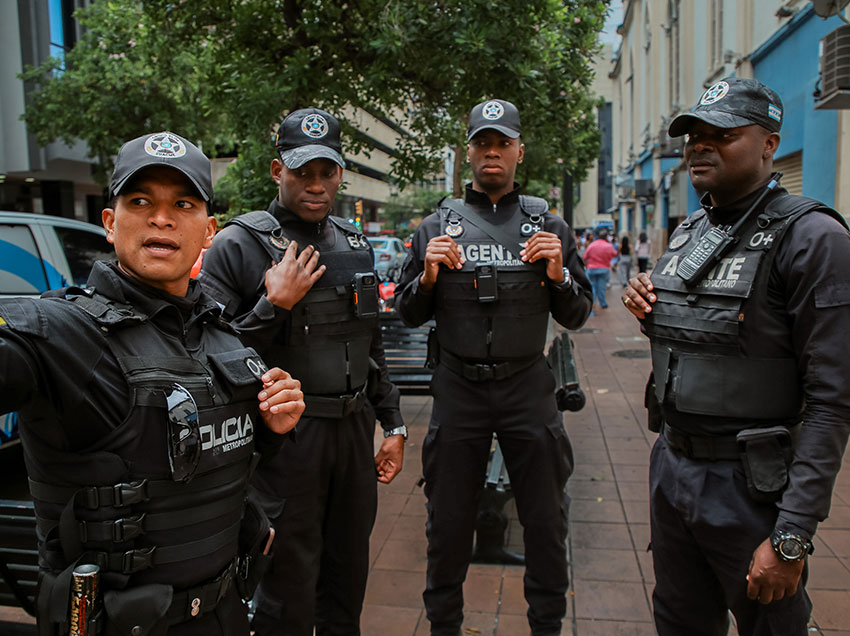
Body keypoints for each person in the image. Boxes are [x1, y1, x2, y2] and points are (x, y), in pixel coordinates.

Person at [0, 131, 305, 635]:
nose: (161, 218)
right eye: (140, 201)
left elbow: (220, 464)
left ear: (208, 230)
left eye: (181, 204)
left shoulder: (224, 338)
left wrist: (271, 427)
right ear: (109, 222)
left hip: (223, 615)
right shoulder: (65, 333)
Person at [622, 77, 850, 636]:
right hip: (673, 469)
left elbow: (832, 401)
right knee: (678, 622)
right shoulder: (692, 229)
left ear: (770, 143)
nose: (701, 144)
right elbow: (712, 332)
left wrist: (792, 533)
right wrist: (651, 310)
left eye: (722, 134)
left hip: (750, 487)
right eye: (695, 134)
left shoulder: (814, 238)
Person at [196, 107, 406, 636]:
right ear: (276, 171)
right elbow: (209, 360)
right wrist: (275, 305)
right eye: (301, 171)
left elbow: (369, 347)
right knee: (287, 592)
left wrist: (395, 424)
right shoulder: (238, 245)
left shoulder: (354, 245)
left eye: (326, 172)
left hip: (353, 436)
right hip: (286, 443)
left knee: (346, 582)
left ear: (339, 174)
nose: (315, 185)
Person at [394, 98, 592, 636]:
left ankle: (547, 625)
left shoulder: (548, 224)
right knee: (447, 522)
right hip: (459, 387)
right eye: (482, 143)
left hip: (528, 384)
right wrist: (429, 277)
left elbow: (577, 313)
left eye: (502, 143)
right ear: (469, 152)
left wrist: (557, 274)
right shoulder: (435, 225)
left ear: (519, 152)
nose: (492, 153)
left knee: (546, 520)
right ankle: (444, 627)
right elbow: (407, 313)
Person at [582, 228, 618, 312]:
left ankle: (593, 302)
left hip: (591, 269)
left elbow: (584, 257)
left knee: (592, 287)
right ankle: (603, 303)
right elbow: (614, 254)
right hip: (603, 269)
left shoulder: (592, 245)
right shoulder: (608, 246)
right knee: (601, 287)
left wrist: (586, 265)